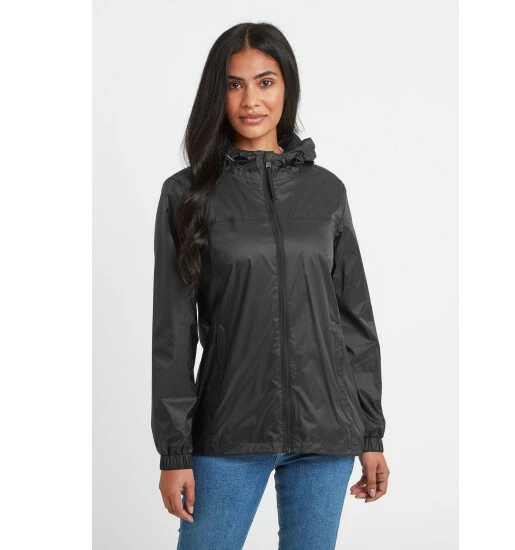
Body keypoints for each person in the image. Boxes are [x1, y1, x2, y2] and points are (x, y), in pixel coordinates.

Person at [151, 21, 390, 550]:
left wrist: (370, 433)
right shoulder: (187, 195)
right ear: (217, 94)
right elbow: (172, 334)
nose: (251, 100)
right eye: (234, 84)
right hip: (229, 430)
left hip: (326, 433)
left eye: (265, 82)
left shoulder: (326, 191)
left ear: (287, 87)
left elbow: (354, 321)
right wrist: (174, 451)